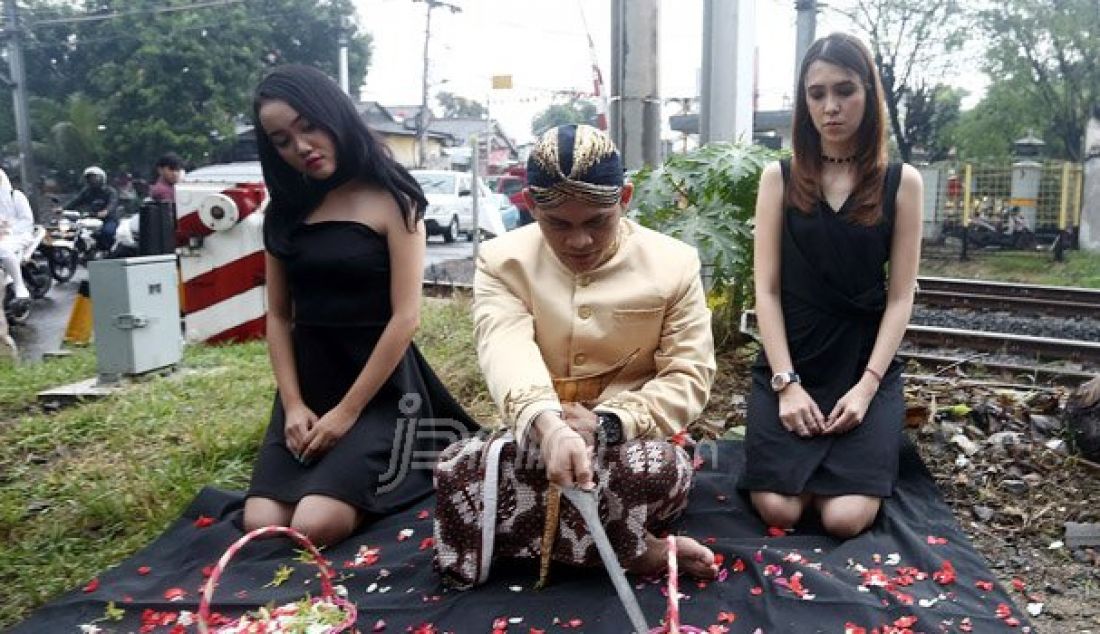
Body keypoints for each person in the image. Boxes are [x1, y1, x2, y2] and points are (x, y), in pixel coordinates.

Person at [434, 124, 718, 589]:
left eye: (596, 222)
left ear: (624, 197)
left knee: (650, 469)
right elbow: (504, 347)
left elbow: (689, 375)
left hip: (633, 441)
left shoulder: (675, 263)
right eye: (558, 224)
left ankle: (527, 542)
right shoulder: (502, 260)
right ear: (529, 204)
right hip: (536, 436)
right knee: (458, 467)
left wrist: (608, 423)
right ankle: (634, 548)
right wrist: (548, 427)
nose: (578, 241)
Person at [243, 64, 477, 547]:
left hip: (380, 391)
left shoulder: (392, 199)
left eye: (308, 125)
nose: (300, 146)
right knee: (261, 524)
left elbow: (405, 317)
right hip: (310, 386)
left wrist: (347, 413)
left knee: (314, 526)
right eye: (282, 140)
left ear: (334, 116)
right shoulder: (283, 212)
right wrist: (292, 406)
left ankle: (413, 463)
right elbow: (279, 315)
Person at [739, 33, 923, 539]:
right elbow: (768, 291)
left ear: (870, 94)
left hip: (863, 367)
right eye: (816, 94)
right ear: (803, 101)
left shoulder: (901, 182)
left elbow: (901, 296)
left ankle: (832, 474)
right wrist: (785, 383)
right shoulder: (778, 178)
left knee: (844, 520)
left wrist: (867, 388)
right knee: (780, 510)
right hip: (791, 362)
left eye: (845, 90)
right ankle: (811, 474)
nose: (831, 107)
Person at [0, 168, 35, 316]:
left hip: (20, 235)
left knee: (3, 249)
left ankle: (20, 287)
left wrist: (9, 230)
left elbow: (27, 220)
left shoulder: (16, 196)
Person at [62, 166, 120, 251]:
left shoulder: (110, 191)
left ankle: (107, 251)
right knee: (75, 231)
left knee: (107, 232)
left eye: (93, 178)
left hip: (108, 219)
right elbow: (75, 201)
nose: (91, 180)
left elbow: (113, 203)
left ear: (101, 178)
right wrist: (63, 209)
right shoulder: (87, 191)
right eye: (89, 178)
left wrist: (106, 211)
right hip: (91, 218)